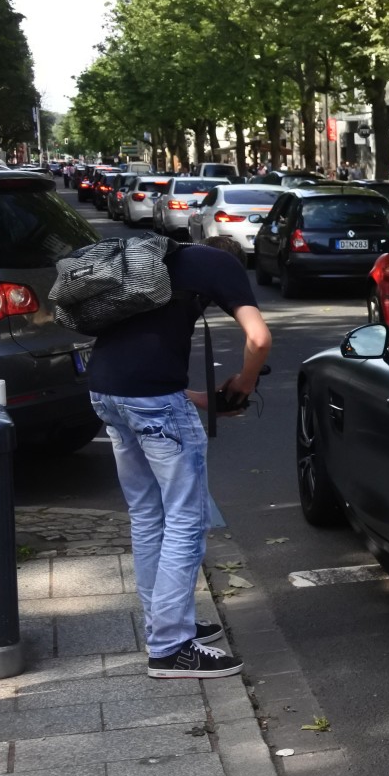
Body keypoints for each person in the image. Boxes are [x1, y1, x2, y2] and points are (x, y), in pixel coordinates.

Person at [88, 238, 271, 680]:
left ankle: (165, 625)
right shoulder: (220, 263)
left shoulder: (153, 258)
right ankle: (171, 647)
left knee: (147, 515)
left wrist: (203, 399)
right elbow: (260, 339)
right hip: (150, 397)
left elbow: (144, 376)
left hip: (105, 391)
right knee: (186, 518)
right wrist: (245, 382)